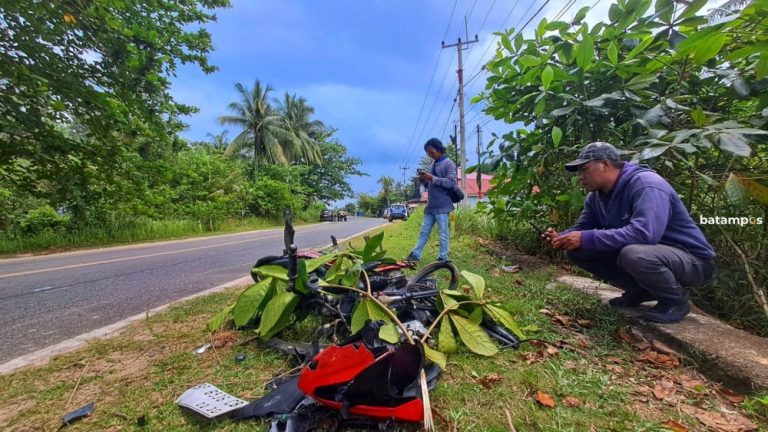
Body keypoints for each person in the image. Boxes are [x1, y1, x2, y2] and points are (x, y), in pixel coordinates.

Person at [542, 142, 716, 323]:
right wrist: (561, 237)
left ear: (606, 165)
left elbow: (645, 234)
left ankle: (675, 301)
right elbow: (584, 227)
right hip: (652, 255)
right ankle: (640, 290)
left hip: (692, 261)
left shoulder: (646, 184)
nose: (580, 176)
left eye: (584, 169)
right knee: (578, 250)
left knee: (634, 254)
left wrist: (585, 238)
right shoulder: (596, 196)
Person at [406, 138, 457, 263]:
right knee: (424, 231)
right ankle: (415, 255)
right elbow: (431, 185)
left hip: (443, 205)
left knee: (443, 233)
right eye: (428, 153)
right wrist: (424, 180)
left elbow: (451, 183)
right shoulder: (431, 165)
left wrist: (432, 178)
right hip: (431, 205)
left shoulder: (448, 163)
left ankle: (443, 257)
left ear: (439, 149)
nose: (430, 155)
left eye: (432, 152)